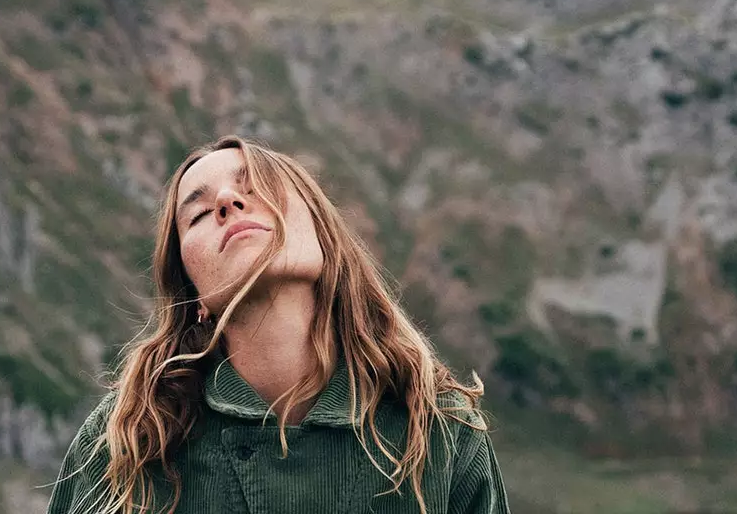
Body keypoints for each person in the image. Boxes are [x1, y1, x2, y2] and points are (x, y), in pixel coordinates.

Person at [45, 135, 509, 514]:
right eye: (200, 214)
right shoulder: (129, 439)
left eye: (257, 188)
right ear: (194, 295)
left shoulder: (440, 431)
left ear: (325, 239)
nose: (227, 201)